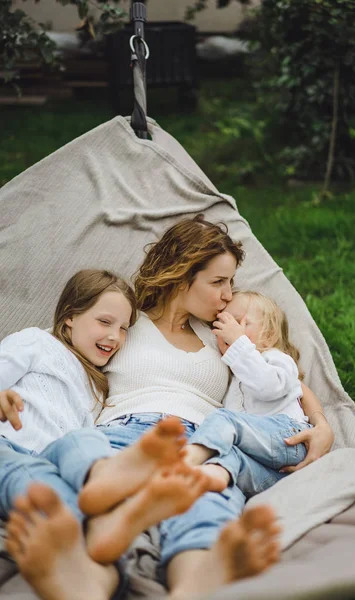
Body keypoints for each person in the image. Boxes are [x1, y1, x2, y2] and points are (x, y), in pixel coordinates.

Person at [8, 217, 334, 600]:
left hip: (199, 442)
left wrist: (322, 423)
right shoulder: (124, 325)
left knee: (208, 504)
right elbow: (57, 348)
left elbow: (285, 375)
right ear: (182, 277)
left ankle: (191, 588)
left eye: (230, 282)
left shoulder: (225, 337)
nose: (229, 294)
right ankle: (86, 582)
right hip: (122, 436)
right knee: (80, 452)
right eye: (218, 282)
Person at [2, 269, 215, 600]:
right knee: (31, 481)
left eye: (124, 329)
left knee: (83, 455)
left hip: (53, 461)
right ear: (70, 316)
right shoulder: (37, 342)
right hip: (7, 446)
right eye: (104, 322)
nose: (115, 336)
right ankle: (76, 541)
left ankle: (89, 558)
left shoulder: (100, 385)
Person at [184, 291, 316, 497]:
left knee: (225, 420)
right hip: (274, 471)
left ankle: (184, 461)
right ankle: (213, 475)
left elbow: (268, 386)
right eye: (220, 324)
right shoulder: (237, 376)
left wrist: (238, 345)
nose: (225, 330)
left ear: (270, 334)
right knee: (230, 457)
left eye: (237, 323)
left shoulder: (277, 359)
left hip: (289, 438)